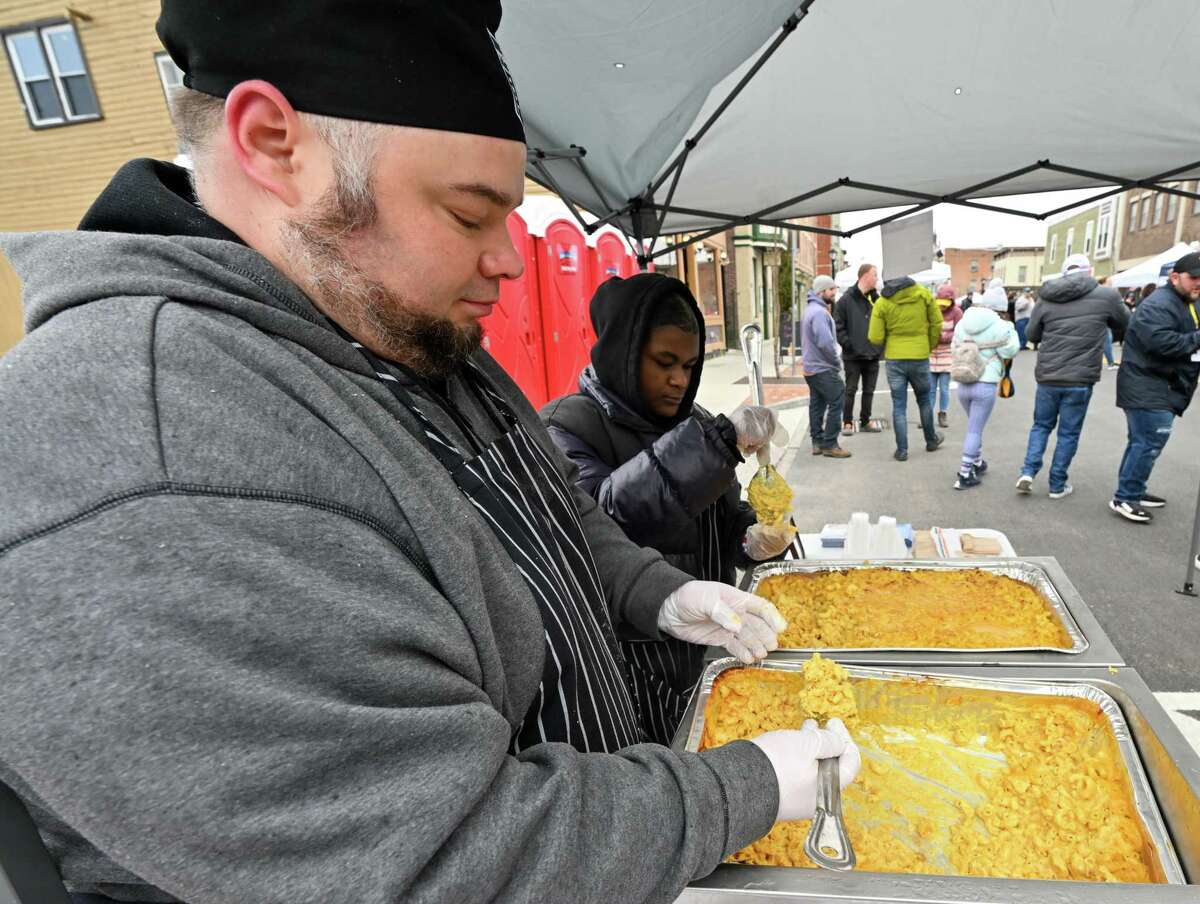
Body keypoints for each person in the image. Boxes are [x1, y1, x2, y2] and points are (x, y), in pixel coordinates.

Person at [0, 4, 862, 902]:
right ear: (272, 144)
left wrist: (657, 591)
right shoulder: (152, 460)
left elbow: (550, 512)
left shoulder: (399, 324)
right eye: (468, 213)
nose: (510, 260)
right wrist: (743, 788)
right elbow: (446, 862)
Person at [540, 274, 796, 743]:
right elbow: (608, 519)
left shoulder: (694, 421)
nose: (679, 379)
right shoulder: (565, 428)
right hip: (629, 662)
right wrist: (717, 444)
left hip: (711, 641)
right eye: (664, 363)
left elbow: (721, 517)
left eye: (689, 365)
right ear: (622, 354)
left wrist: (751, 540)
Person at [1016, 254, 1129, 499]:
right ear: (1089, 272)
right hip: (1080, 377)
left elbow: (1032, 334)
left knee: (1041, 425)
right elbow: (1124, 323)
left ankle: (1028, 471)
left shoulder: (1047, 296)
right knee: (1068, 433)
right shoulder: (1107, 296)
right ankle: (1057, 484)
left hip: (1048, 375)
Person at [1108, 252, 1200, 523]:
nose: (1199, 283)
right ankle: (1125, 497)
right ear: (1175, 277)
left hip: (1159, 384)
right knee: (1148, 442)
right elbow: (1162, 344)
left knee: (1142, 442)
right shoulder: (1160, 304)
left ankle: (1133, 490)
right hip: (1148, 384)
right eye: (1194, 277)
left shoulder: (1181, 301)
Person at [868, 276, 945, 460]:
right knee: (924, 400)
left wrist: (890, 339)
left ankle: (902, 450)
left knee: (899, 405)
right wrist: (928, 345)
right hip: (919, 355)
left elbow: (875, 337)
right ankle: (931, 440)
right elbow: (937, 323)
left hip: (895, 358)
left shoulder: (882, 302)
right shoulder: (924, 295)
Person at [951, 283, 1020, 489]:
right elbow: (1010, 351)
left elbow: (954, 347)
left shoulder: (963, 322)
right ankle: (964, 473)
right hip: (985, 383)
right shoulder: (1002, 326)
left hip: (964, 380)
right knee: (975, 429)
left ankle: (977, 462)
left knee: (974, 426)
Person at [803, 275, 852, 457]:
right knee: (838, 398)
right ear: (821, 292)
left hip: (811, 368)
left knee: (817, 404)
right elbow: (825, 343)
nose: (834, 293)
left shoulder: (810, 309)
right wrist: (836, 362)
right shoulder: (819, 313)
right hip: (822, 367)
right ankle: (830, 444)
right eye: (831, 289)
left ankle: (817, 442)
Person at [833, 263, 883, 435]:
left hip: (873, 355)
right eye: (875, 274)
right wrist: (849, 345)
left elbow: (884, 321)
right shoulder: (845, 300)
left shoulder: (876, 299)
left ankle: (866, 421)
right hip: (853, 356)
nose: (877, 278)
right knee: (850, 390)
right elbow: (838, 327)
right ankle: (847, 422)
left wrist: (879, 346)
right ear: (865, 276)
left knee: (869, 391)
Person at [929, 283, 962, 428]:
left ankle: (943, 413)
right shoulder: (932, 310)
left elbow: (960, 331)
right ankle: (927, 416)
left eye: (944, 303)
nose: (941, 306)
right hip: (932, 353)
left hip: (947, 353)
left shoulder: (957, 312)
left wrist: (944, 337)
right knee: (930, 389)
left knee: (944, 388)